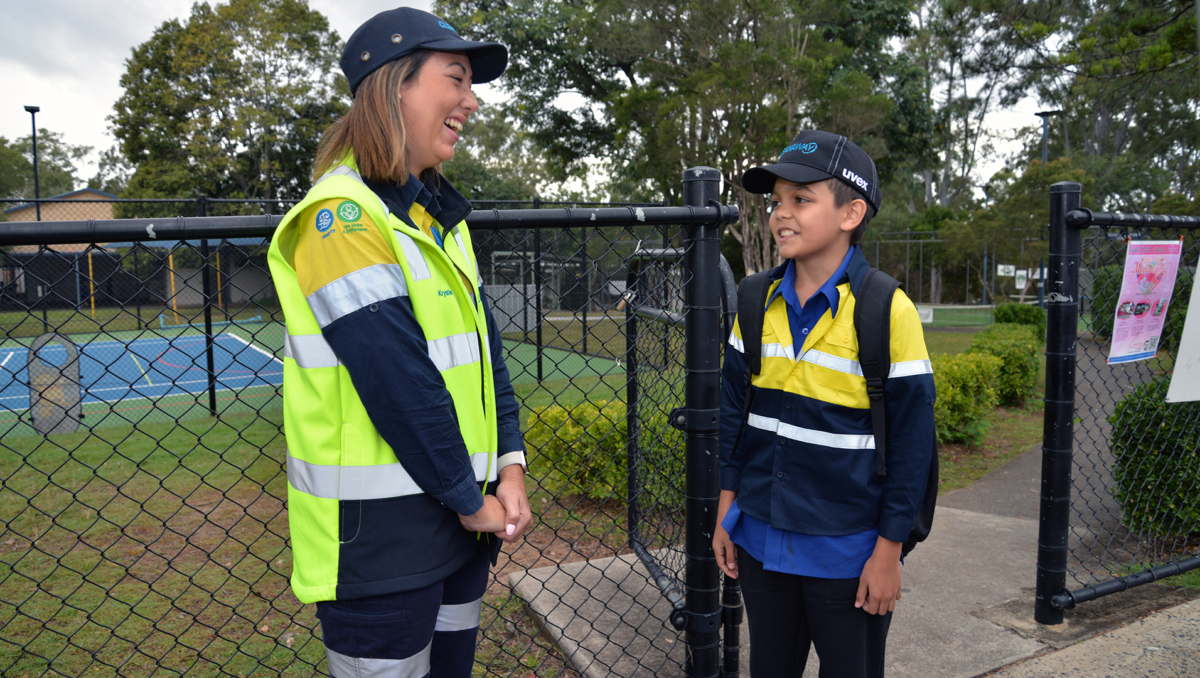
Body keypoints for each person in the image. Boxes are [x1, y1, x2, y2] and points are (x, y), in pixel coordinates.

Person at [266, 8, 531, 677]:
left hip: (460, 528)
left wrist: (512, 465)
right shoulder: (341, 219)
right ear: (394, 86)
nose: (471, 101)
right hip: (379, 548)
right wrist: (475, 502)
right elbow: (400, 386)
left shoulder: (437, 219)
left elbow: (484, 359)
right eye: (456, 78)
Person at [712, 130, 936, 677]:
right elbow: (734, 416)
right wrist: (726, 511)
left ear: (851, 212)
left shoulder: (886, 309)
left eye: (801, 199)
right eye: (775, 201)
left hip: (849, 553)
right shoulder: (753, 300)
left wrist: (888, 552)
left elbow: (912, 447)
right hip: (762, 541)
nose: (781, 214)